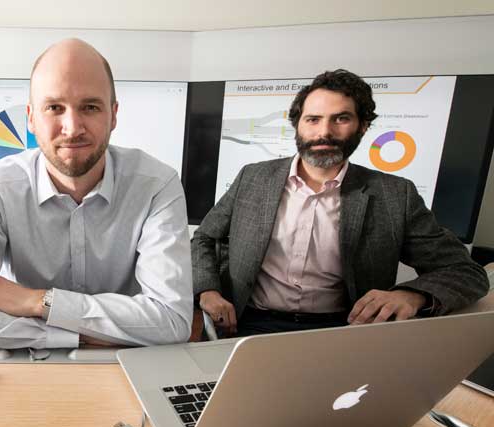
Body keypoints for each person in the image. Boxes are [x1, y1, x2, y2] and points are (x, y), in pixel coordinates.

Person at [0, 38, 192, 349]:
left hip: (121, 365)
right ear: (30, 117)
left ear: (114, 114)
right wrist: (71, 336)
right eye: (54, 107)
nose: (72, 127)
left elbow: (172, 320)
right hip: (38, 363)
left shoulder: (157, 185)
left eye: (90, 107)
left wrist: (39, 302)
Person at [192, 69, 489, 337]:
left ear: (362, 126)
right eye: (313, 119)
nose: (324, 132)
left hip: (345, 330)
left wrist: (411, 296)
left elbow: (466, 273)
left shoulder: (396, 195)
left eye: (341, 119)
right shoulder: (254, 178)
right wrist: (207, 291)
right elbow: (204, 237)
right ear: (298, 125)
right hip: (247, 323)